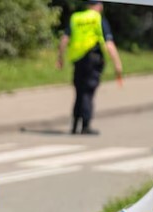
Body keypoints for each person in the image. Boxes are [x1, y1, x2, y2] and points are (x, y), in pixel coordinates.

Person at [57, 0, 123, 135]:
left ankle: (75, 125)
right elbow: (109, 44)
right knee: (88, 92)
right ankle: (85, 125)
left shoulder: (76, 18)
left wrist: (60, 58)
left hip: (78, 60)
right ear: (99, 5)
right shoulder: (98, 19)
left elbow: (64, 39)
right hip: (93, 60)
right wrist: (117, 63)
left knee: (79, 92)